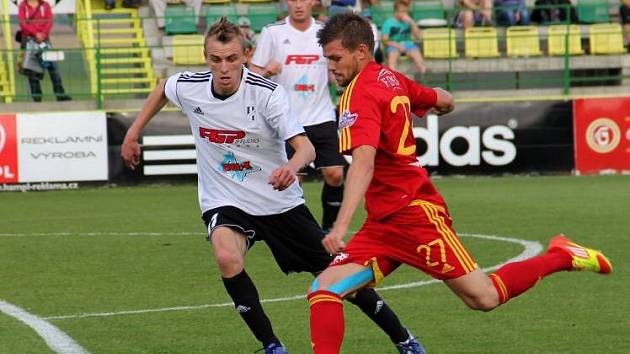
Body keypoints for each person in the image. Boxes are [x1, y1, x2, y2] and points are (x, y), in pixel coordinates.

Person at [307, 13, 613, 354]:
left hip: (415, 216)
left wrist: (340, 226)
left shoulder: (358, 95)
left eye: (335, 58)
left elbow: (364, 161)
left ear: (361, 51)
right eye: (327, 59)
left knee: (483, 297)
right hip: (384, 224)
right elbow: (441, 98)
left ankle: (562, 255)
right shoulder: (389, 77)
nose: (330, 67)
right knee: (325, 288)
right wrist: (444, 104)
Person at [121, 18, 425, 354]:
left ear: (246, 56)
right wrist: (133, 134)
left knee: (341, 278)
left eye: (232, 59)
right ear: (205, 57)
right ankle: (271, 345)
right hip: (225, 198)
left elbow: (306, 147)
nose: (224, 68)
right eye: (216, 59)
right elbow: (163, 87)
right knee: (226, 257)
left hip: (279, 202)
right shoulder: (189, 86)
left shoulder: (267, 94)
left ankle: (403, 338)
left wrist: (291, 167)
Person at [250, 0, 345, 233]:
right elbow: (252, 76)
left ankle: (329, 229)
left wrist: (340, 80)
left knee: (335, 175)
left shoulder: (326, 32)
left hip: (322, 115)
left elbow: (336, 70)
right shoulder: (272, 32)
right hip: (287, 120)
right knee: (294, 182)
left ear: (313, 2)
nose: (298, 4)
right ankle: (305, 233)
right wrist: (267, 71)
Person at [17, 0, 71, 102]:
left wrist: (43, 34)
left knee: (53, 67)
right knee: (31, 69)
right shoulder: (23, 6)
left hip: (45, 41)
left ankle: (60, 94)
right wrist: (35, 33)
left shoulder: (45, 5)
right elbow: (22, 23)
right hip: (29, 40)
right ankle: (36, 97)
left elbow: (49, 21)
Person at [380, 0, 426, 74]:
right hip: (394, 45)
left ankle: (424, 79)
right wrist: (398, 45)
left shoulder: (408, 22)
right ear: (396, 12)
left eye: (406, 11)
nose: (405, 14)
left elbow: (418, 36)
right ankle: (396, 78)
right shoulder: (388, 23)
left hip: (408, 45)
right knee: (392, 63)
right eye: (402, 11)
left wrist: (412, 22)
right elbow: (385, 40)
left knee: (420, 62)